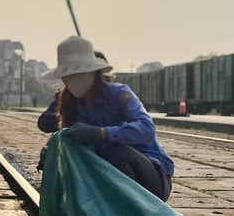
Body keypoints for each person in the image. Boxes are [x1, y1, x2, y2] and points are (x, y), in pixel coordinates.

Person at [39, 36, 174, 201]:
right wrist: (52, 150)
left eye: (78, 74)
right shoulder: (72, 105)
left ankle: (130, 211)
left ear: (93, 73)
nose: (72, 80)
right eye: (67, 76)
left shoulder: (119, 94)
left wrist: (102, 133)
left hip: (149, 180)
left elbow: (146, 129)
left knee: (113, 151)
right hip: (107, 178)